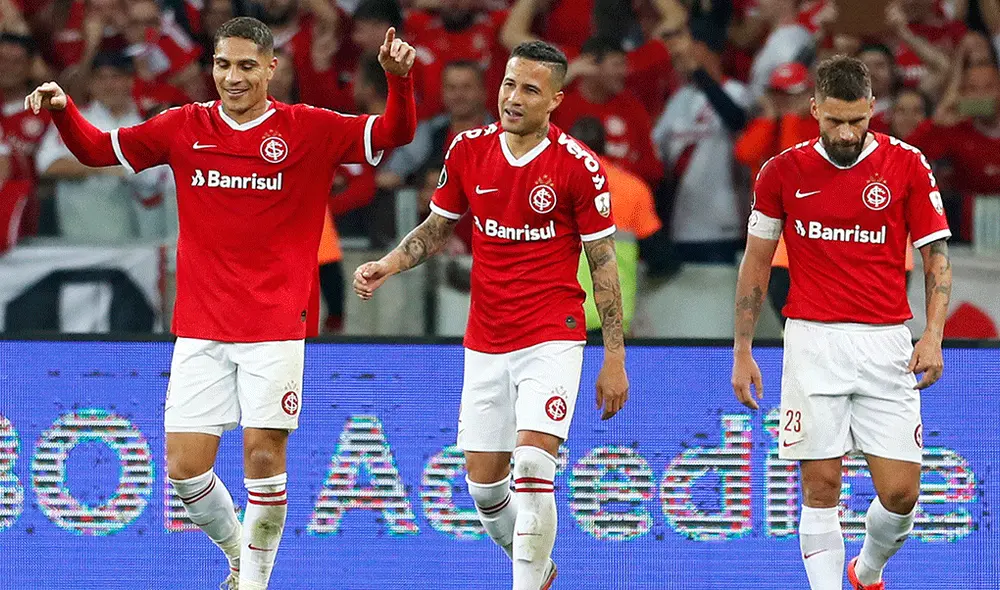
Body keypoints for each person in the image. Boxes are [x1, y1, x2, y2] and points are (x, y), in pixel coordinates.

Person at [25, 16, 417, 590]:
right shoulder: (184, 125)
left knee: (262, 459)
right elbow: (93, 150)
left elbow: (393, 135)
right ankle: (241, 556)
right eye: (222, 65)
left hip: (276, 324)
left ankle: (254, 583)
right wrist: (63, 109)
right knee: (186, 471)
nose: (232, 78)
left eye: (245, 66)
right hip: (202, 327)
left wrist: (398, 82)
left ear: (270, 69)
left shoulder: (308, 128)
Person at [353, 40, 629, 590]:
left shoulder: (579, 167)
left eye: (530, 89)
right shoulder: (467, 150)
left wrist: (614, 357)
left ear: (555, 99)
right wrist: (388, 264)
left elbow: (602, 263)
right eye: (508, 84)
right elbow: (436, 229)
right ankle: (539, 570)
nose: (514, 98)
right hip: (486, 338)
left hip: (552, 335)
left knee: (531, 467)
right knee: (484, 489)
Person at [731, 55, 952, 590]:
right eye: (835, 120)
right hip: (812, 341)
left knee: (901, 494)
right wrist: (742, 349)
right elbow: (756, 262)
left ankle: (866, 571)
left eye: (857, 119)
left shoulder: (907, 165)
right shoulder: (781, 171)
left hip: (886, 343)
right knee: (821, 484)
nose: (848, 132)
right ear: (814, 110)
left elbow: (936, 257)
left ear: (873, 108)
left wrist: (933, 335)